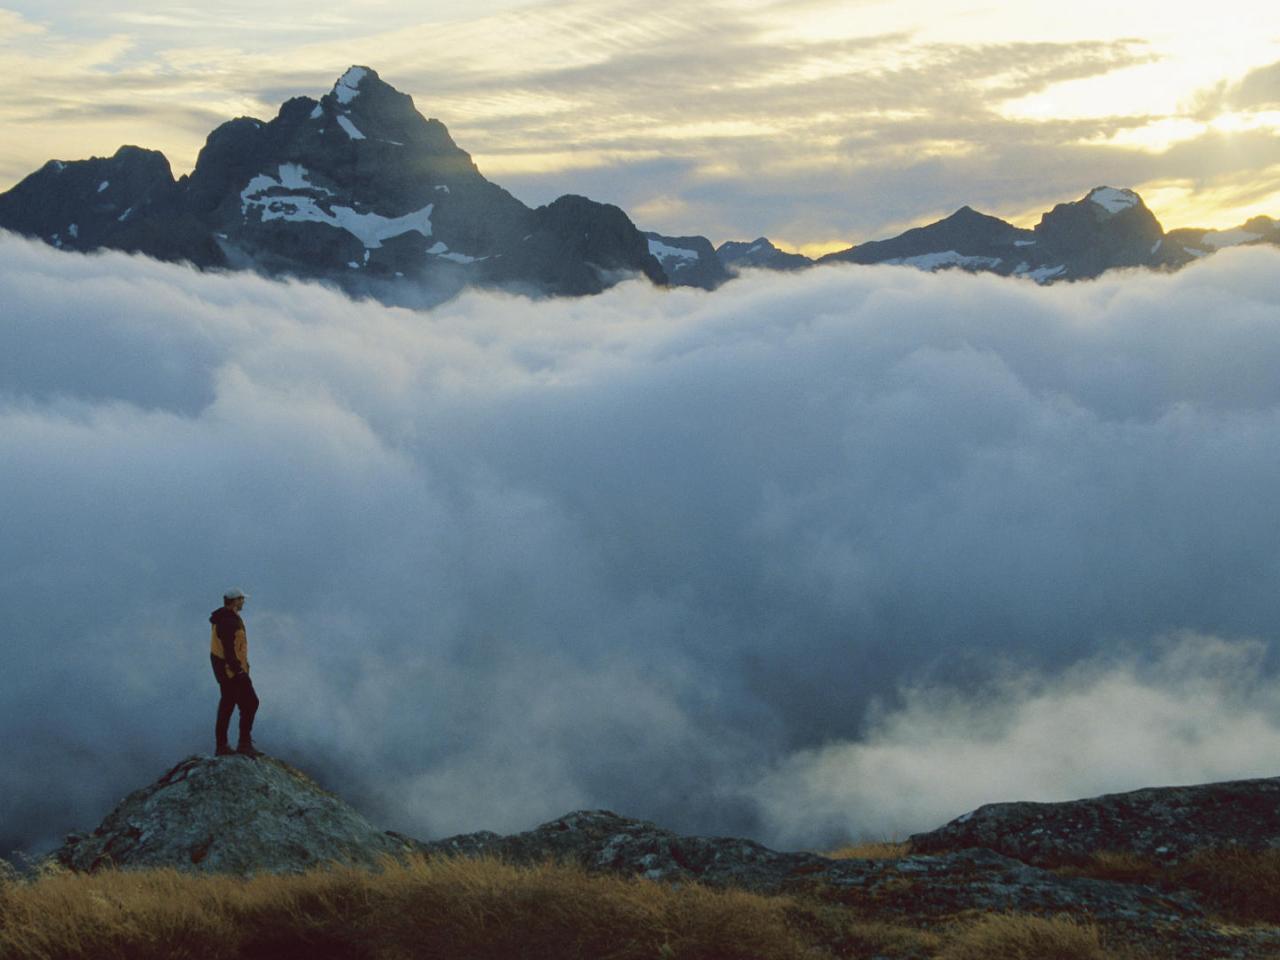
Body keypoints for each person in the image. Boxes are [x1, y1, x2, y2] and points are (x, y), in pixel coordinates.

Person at [210, 588, 262, 757]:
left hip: (229, 670)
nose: (243, 602)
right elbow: (229, 649)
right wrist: (238, 670)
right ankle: (241, 744)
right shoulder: (228, 621)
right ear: (234, 601)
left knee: (230, 705)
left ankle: (226, 745)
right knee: (249, 703)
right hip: (232, 672)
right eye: (241, 599)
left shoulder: (225, 618)